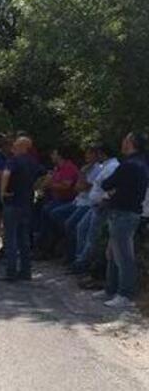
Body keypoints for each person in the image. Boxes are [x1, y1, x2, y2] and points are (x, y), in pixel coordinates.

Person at [94, 132, 149, 309]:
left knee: (123, 256)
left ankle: (125, 294)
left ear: (131, 143)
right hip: (127, 212)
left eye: (125, 140)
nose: (122, 142)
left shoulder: (130, 165)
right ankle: (111, 288)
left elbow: (107, 183)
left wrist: (111, 193)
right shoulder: (141, 163)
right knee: (112, 253)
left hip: (123, 214)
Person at [0, 136, 42, 281]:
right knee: (24, 239)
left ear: (23, 147)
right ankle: (26, 271)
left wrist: (2, 192)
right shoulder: (32, 162)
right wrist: (36, 187)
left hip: (12, 202)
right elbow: (47, 175)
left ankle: (11, 272)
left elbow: (6, 174)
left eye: (16, 145)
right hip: (27, 204)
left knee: (10, 238)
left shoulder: (13, 160)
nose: (13, 147)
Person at [70, 146, 120, 274]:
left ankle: (83, 264)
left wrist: (104, 199)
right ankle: (79, 259)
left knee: (92, 236)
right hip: (94, 205)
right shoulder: (105, 166)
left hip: (101, 206)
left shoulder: (112, 167)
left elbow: (110, 187)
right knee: (81, 228)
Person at [57, 144, 106, 262]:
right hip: (78, 200)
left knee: (72, 224)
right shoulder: (85, 167)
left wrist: (83, 175)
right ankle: (63, 248)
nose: (86, 156)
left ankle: (74, 257)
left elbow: (85, 186)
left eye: (89, 153)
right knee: (54, 213)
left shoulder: (98, 169)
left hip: (87, 203)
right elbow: (77, 188)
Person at [35, 147, 80, 259]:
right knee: (42, 209)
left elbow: (66, 185)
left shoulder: (68, 168)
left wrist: (50, 185)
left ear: (60, 155)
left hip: (68, 200)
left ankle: (51, 245)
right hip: (56, 199)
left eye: (54, 154)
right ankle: (44, 245)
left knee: (51, 212)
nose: (52, 156)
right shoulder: (57, 169)